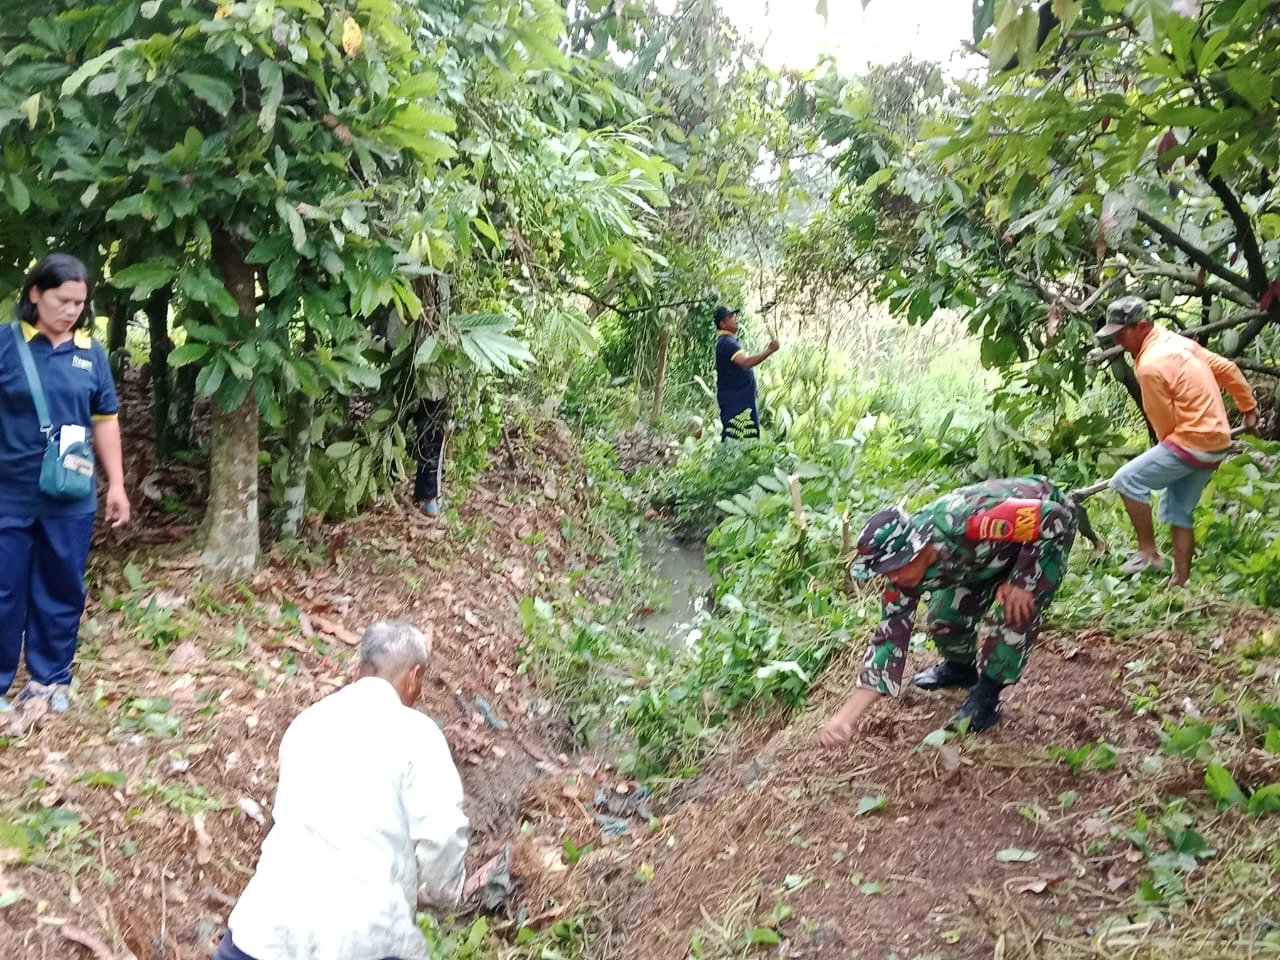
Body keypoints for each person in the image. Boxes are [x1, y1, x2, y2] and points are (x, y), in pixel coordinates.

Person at [214, 620, 468, 960]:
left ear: (359, 670)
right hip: (364, 938)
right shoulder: (417, 735)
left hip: (265, 932)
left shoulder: (307, 722)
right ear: (415, 675)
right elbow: (443, 835)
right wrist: (440, 897)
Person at [819, 477, 1077, 748]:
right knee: (945, 616)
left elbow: (1052, 518)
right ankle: (960, 669)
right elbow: (888, 642)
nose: (893, 576)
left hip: (1042, 535)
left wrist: (1022, 581)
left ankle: (987, 698)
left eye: (897, 565)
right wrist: (844, 719)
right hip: (985, 557)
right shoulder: (902, 579)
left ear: (917, 548)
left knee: (1016, 611)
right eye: (886, 570)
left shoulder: (971, 521)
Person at [0, 253, 130, 715]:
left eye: (80, 302)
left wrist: (116, 484)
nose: (72, 310)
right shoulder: (6, 344)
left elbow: (106, 421)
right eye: (63, 299)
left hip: (70, 495)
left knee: (61, 586)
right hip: (9, 492)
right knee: (4, 587)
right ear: (35, 293)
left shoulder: (91, 353)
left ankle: (48, 679)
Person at [1098, 296, 1258, 586]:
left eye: (1121, 334)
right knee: (1177, 510)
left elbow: (1162, 421)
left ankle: (1148, 552)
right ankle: (1179, 583)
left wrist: (1163, 451)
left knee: (1125, 480)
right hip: (1217, 441)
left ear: (1142, 326)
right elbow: (1227, 370)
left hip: (1191, 440)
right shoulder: (1178, 342)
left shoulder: (1148, 365)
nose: (1118, 341)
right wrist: (1248, 408)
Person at [714, 305, 778, 440]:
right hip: (735, 401)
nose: (735, 319)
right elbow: (746, 362)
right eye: (730, 317)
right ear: (722, 324)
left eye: (735, 316)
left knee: (745, 438)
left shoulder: (730, 341)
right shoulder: (727, 343)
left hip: (741, 400)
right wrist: (769, 351)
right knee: (735, 438)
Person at [411, 396, 448, 516]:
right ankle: (431, 498)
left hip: (420, 391)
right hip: (434, 391)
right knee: (433, 435)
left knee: (425, 435)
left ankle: (422, 493)